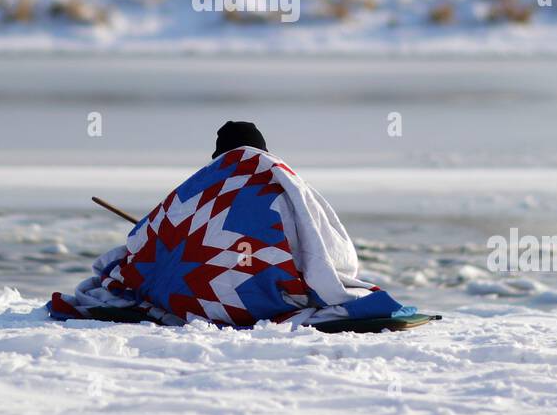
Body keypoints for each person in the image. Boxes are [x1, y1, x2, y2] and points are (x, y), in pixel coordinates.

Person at [47, 121, 413, 328]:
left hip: (201, 304)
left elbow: (143, 243)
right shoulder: (284, 185)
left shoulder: (198, 192)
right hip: (273, 299)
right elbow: (334, 255)